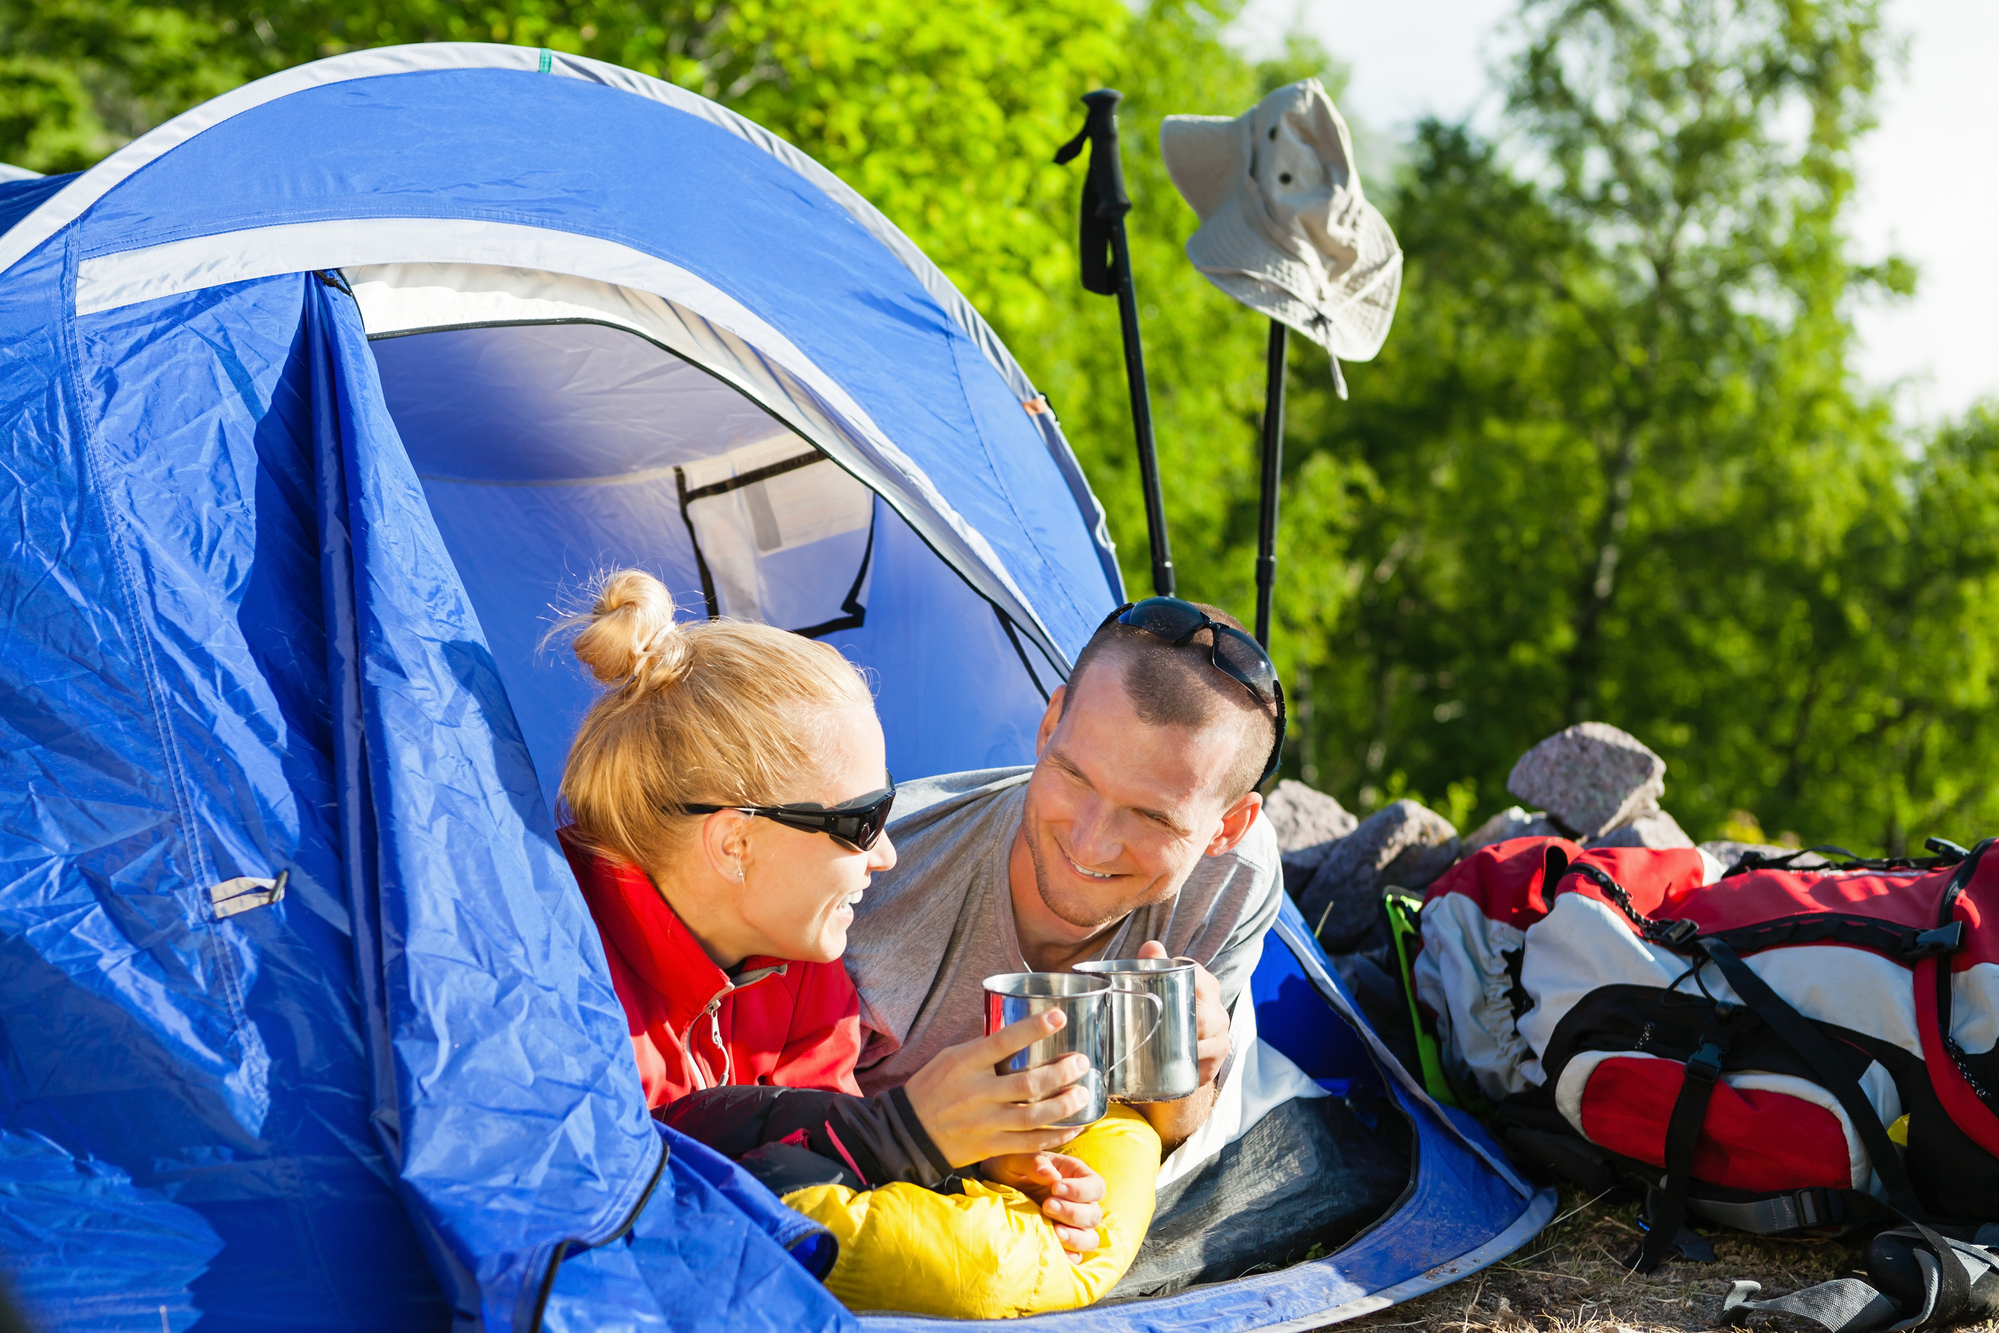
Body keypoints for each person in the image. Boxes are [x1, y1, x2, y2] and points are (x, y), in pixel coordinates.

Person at [551, 570, 1162, 1316]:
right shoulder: (559, 965)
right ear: (735, 840)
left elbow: (823, 1151)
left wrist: (970, 1149)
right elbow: (638, 1192)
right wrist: (902, 1131)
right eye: (860, 821)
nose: (886, 855)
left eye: (888, 806)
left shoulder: (801, 966)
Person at [845, 598, 1287, 1151]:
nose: (1089, 842)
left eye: (1151, 816)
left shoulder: (1233, 881)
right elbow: (750, 1131)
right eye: (1075, 777)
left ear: (1227, 828)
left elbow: (1178, 1126)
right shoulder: (867, 881)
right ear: (1049, 725)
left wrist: (1187, 1071)